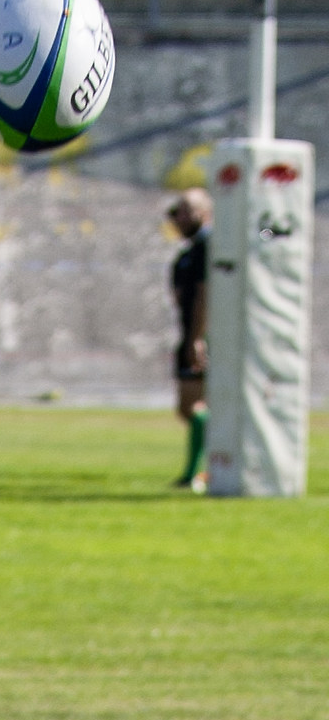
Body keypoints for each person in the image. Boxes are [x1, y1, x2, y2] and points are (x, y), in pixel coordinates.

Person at [168, 187, 210, 494]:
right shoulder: (189, 253)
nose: (177, 217)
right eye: (175, 212)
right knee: (188, 408)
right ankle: (205, 467)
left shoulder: (209, 247)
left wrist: (197, 338)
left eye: (185, 211)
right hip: (189, 334)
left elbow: (206, 296)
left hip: (201, 336)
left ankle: (195, 473)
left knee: (195, 405)